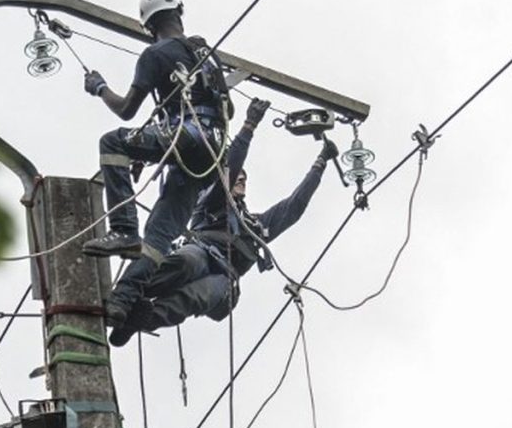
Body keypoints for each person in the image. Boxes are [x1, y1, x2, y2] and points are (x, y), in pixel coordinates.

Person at [107, 100, 339, 346]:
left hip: (226, 275)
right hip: (203, 252)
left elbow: (293, 207)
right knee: (186, 262)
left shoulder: (256, 226)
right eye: (237, 177)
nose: (241, 179)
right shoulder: (212, 200)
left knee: (196, 296)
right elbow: (232, 166)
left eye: (244, 179)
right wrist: (249, 126)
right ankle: (129, 297)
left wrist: (320, 163)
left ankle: (140, 320)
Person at [81, 0, 231, 324]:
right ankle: (122, 302)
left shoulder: (155, 54)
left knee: (113, 142)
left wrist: (100, 88)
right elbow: (227, 108)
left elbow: (126, 110)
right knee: (159, 235)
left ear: (149, 27)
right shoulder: (207, 55)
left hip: (188, 137)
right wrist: (150, 150)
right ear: (179, 13)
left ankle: (123, 229)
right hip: (212, 151)